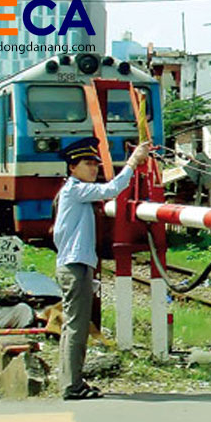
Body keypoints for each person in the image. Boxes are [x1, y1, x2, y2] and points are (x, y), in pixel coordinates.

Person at [54, 136, 149, 400]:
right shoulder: (74, 189)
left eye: (95, 163)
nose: (94, 168)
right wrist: (132, 162)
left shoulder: (73, 190)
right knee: (77, 326)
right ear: (72, 168)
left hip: (75, 264)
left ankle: (71, 382)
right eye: (87, 164)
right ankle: (72, 386)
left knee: (73, 325)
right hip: (74, 266)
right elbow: (111, 190)